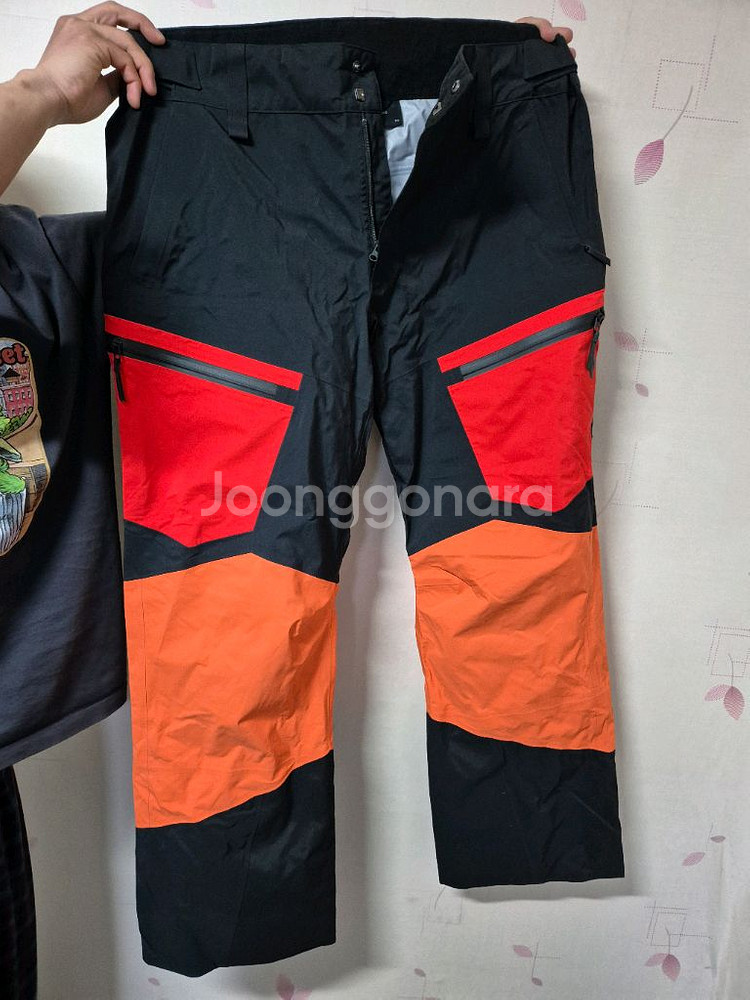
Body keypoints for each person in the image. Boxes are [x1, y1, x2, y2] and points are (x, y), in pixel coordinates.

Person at [0, 6, 578, 995]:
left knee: (511, 528)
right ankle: (233, 889)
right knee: (234, 585)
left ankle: (532, 816)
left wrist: (493, 96)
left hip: (453, 136)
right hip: (222, 139)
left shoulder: (37, 271)